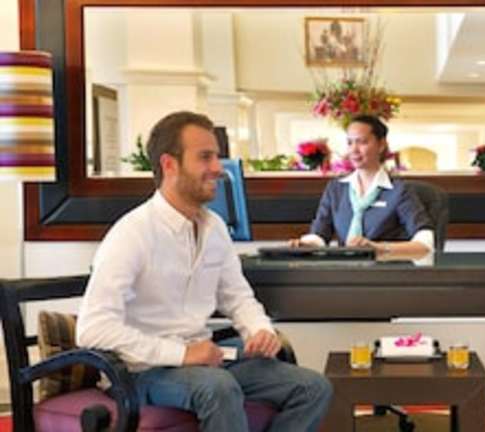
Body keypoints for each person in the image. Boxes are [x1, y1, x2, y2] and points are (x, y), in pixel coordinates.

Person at [76, 111, 333, 432]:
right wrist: (182, 354)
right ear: (169, 164)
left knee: (313, 387)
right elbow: (93, 329)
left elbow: (237, 297)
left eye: (217, 157)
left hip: (206, 360)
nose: (218, 168)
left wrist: (258, 330)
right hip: (143, 371)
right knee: (218, 388)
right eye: (205, 157)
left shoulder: (214, 228)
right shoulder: (132, 233)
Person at [290, 114, 434, 255]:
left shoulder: (400, 191)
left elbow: (425, 243)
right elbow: (319, 234)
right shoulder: (336, 189)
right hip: (345, 268)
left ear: (381, 145)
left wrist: (378, 248)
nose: (354, 150)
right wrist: (306, 244)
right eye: (350, 143)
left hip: (385, 268)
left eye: (362, 142)